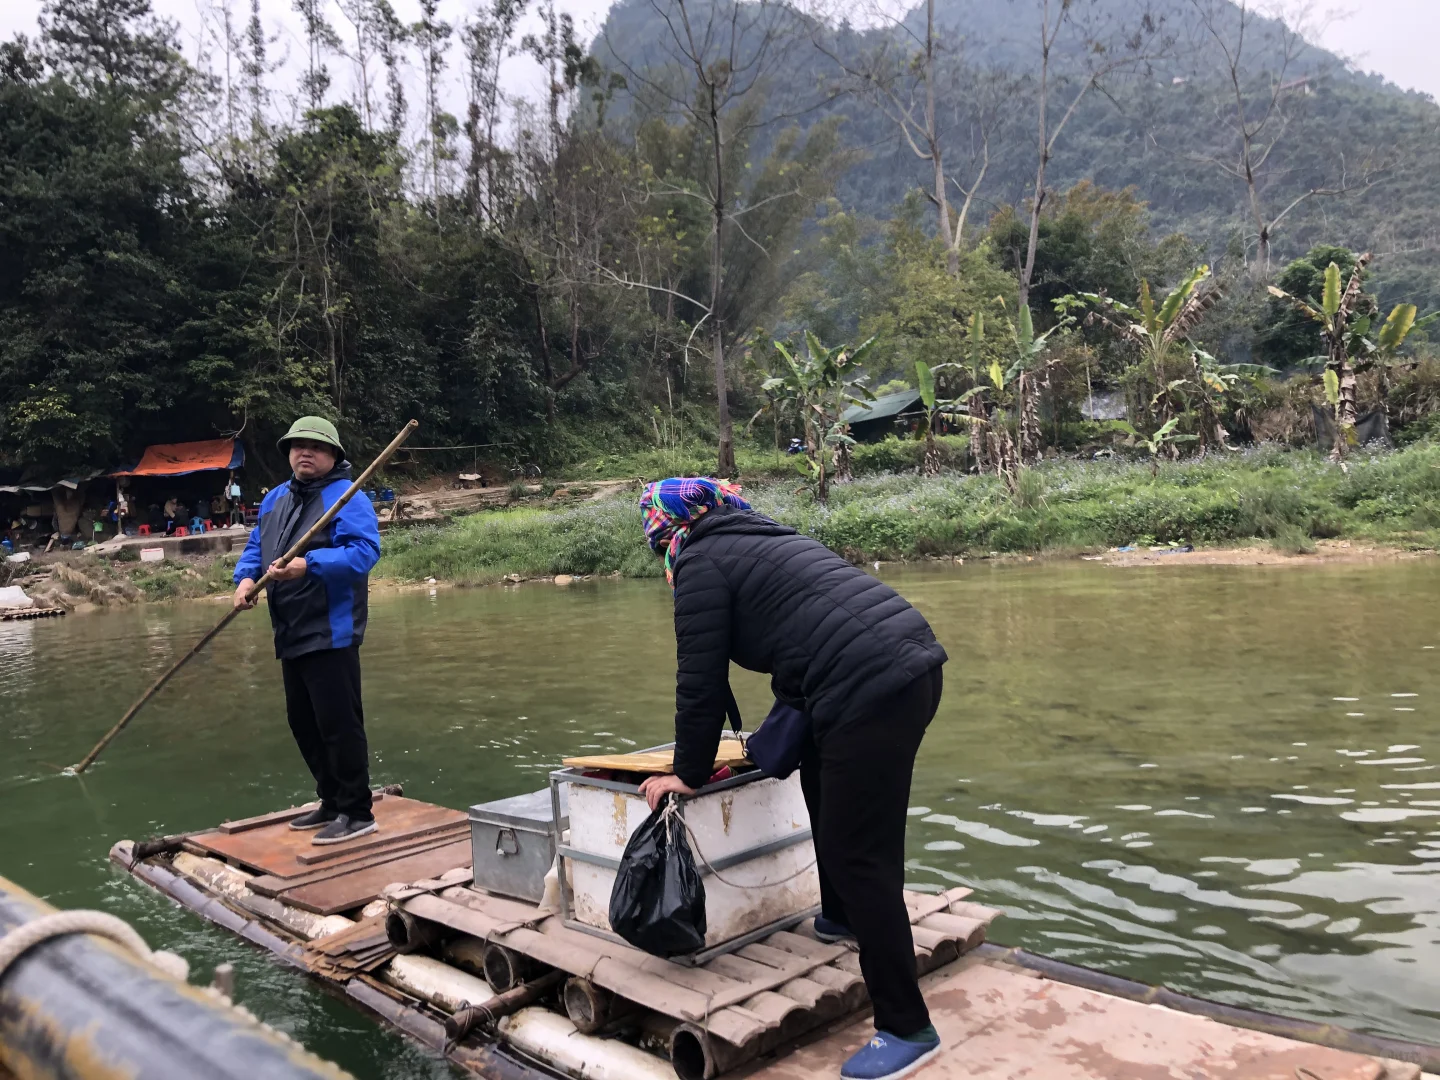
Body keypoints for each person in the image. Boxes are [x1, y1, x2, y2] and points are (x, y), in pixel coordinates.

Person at [635, 478, 948, 1080]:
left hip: (869, 689)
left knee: (862, 857)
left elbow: (697, 682)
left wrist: (689, 773)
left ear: (668, 528)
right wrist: (765, 746)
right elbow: (805, 646)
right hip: (909, 665)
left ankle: (907, 1028)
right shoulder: (759, 534)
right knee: (819, 783)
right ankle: (841, 916)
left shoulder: (700, 559)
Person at [233, 417, 382, 845]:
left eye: (315, 446)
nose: (305, 452)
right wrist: (245, 580)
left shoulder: (347, 497)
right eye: (297, 446)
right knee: (303, 722)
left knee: (339, 722)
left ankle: (357, 811)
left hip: (331, 628)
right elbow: (255, 549)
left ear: (334, 454)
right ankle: (332, 800)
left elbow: (364, 553)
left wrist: (308, 565)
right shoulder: (275, 499)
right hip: (290, 628)